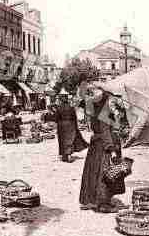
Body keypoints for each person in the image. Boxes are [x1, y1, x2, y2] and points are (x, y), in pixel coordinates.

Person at [79, 85, 124, 213]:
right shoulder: (105, 112)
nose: (114, 103)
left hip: (96, 144)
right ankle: (103, 203)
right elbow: (105, 130)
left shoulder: (96, 108)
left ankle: (91, 199)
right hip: (104, 145)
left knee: (93, 172)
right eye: (113, 101)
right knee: (105, 173)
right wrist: (112, 148)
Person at [46, 91, 88, 163]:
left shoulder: (59, 108)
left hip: (62, 125)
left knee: (63, 141)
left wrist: (53, 118)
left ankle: (65, 155)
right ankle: (68, 155)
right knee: (69, 140)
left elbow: (56, 118)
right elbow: (74, 117)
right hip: (71, 124)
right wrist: (76, 126)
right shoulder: (71, 108)